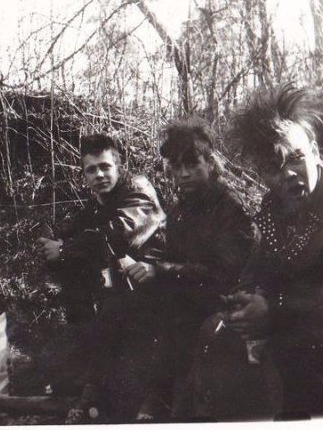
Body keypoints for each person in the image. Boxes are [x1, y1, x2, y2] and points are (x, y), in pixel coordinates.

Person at [71, 118, 256, 422]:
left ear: (210, 163)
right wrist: (146, 270)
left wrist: (161, 271)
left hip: (223, 297)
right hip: (187, 289)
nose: (183, 174)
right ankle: (96, 394)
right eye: (176, 166)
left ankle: (160, 399)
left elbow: (226, 272)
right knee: (119, 301)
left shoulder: (229, 206)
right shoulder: (182, 208)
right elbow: (172, 256)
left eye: (192, 164)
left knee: (174, 316)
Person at [215, 83, 323, 417]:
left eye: (296, 158)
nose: (288, 174)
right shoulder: (274, 207)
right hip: (298, 339)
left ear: (314, 151)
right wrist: (248, 297)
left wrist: (275, 309)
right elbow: (261, 266)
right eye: (272, 167)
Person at [37, 133, 165, 324]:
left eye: (105, 167)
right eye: (91, 170)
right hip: (126, 282)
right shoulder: (100, 201)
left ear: (119, 167)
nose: (99, 175)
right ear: (84, 176)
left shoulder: (138, 189)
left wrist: (63, 250)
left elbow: (118, 235)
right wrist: (51, 240)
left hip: (156, 281)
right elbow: (75, 226)